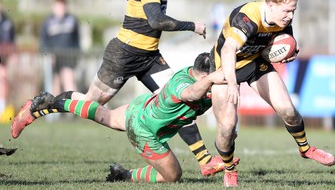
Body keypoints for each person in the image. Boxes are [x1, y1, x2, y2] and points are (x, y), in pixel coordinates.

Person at [34, 0, 224, 176]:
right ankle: (45, 105)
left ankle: (205, 159)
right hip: (124, 54)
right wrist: (192, 25)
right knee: (91, 103)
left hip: (149, 57)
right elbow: (156, 19)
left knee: (181, 98)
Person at [11, 53, 239, 183]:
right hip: (144, 131)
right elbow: (191, 93)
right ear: (204, 75)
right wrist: (212, 80)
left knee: (103, 115)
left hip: (140, 109)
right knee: (173, 176)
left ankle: (47, 106)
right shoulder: (185, 83)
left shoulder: (200, 79)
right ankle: (126, 175)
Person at [209, 0, 335, 187]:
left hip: (255, 63)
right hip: (225, 68)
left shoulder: (284, 21)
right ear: (270, 5)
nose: (290, 16)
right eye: (287, 11)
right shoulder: (248, 17)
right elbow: (228, 50)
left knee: (288, 110)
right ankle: (230, 168)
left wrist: (287, 54)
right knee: (227, 128)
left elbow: (283, 46)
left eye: (293, 11)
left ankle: (305, 149)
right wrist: (232, 83)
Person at [39, 0, 80, 95]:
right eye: (58, 7)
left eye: (62, 6)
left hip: (68, 57)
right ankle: (55, 110)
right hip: (54, 58)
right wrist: (49, 54)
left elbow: (77, 40)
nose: (60, 9)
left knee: (68, 81)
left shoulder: (72, 20)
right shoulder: (48, 22)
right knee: (55, 84)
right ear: (53, 7)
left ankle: (73, 108)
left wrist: (76, 55)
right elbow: (43, 42)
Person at [0, 0, 16, 122]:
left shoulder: (7, 22)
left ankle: (2, 107)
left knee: (3, 78)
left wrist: (13, 53)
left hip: (3, 57)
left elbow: (12, 41)